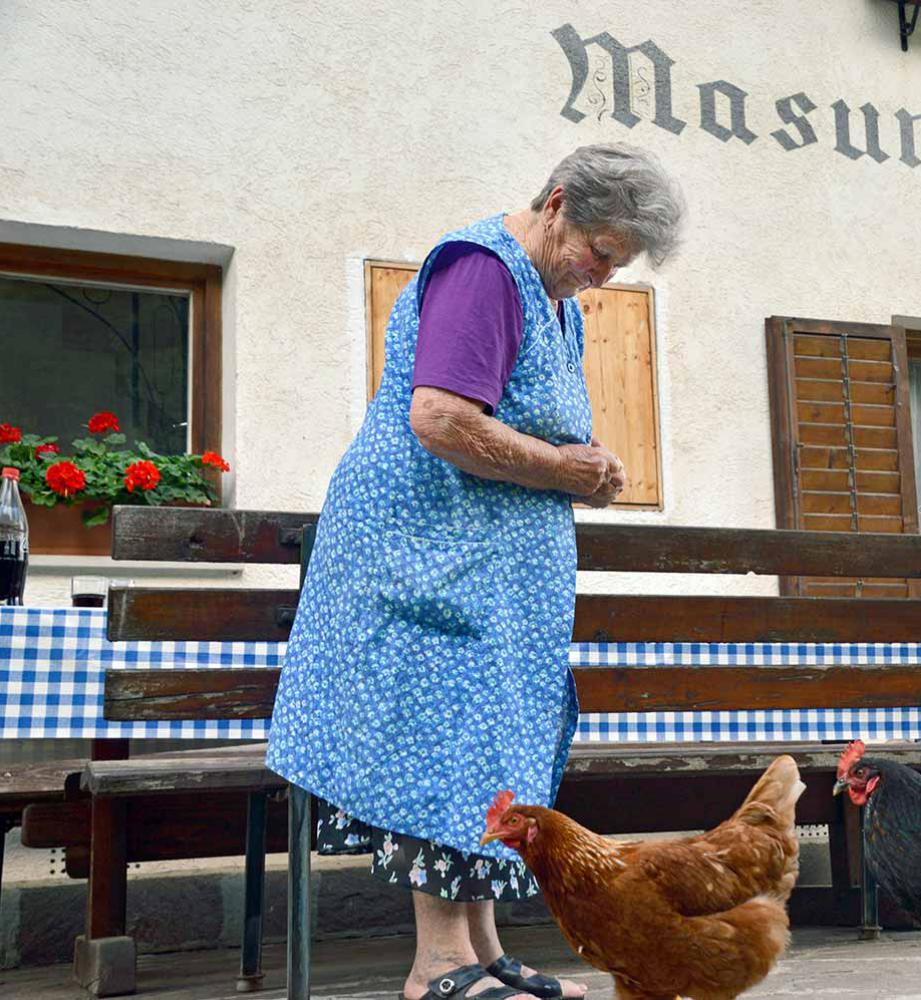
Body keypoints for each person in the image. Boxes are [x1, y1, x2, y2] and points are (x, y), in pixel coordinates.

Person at [267, 142, 686, 1000]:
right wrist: (568, 470)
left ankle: (484, 947)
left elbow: (517, 418)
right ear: (559, 203)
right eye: (601, 253)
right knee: (449, 737)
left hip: (477, 564)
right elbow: (443, 418)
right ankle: (439, 965)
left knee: (491, 737)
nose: (602, 276)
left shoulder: (549, 294)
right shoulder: (483, 270)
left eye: (617, 264)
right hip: (426, 556)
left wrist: (583, 462)